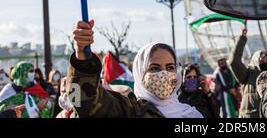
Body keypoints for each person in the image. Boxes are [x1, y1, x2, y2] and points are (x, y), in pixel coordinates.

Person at [68, 20, 203, 118]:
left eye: (170, 67)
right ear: (140, 73)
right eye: (154, 68)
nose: (164, 74)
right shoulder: (129, 110)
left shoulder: (192, 114)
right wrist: (81, 54)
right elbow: (85, 103)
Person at [229, 27, 267, 118]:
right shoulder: (248, 74)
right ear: (255, 61)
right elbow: (234, 62)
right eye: (262, 59)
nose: (265, 61)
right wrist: (242, 38)